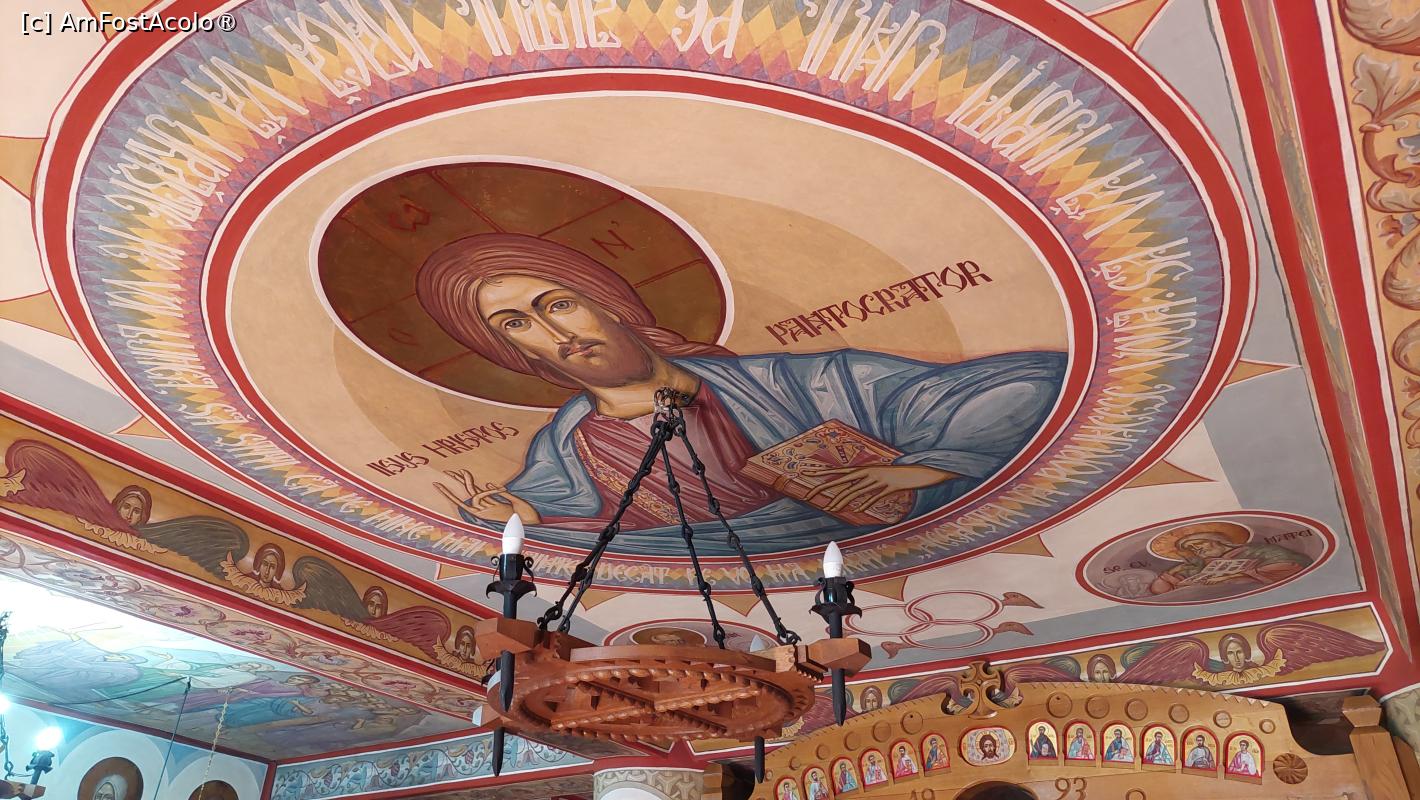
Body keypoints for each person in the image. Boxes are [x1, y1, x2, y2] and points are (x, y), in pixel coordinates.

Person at [418, 233, 1066, 555]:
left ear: (607, 304)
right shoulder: (563, 459)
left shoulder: (795, 384)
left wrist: (925, 467)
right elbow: (613, 540)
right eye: (517, 324)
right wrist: (533, 525)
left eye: (559, 304)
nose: (557, 334)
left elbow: (1023, 384)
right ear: (512, 351)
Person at [1149, 527, 1312, 596]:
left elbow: (1292, 565)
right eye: (1191, 549)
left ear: (1217, 541)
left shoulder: (1256, 550)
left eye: (1198, 544)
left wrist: (1230, 577)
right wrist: (1172, 572)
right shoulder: (1199, 565)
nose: (1196, 550)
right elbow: (1160, 591)